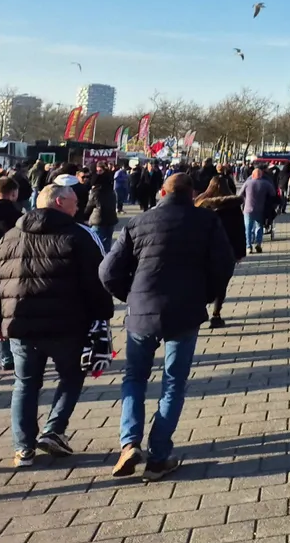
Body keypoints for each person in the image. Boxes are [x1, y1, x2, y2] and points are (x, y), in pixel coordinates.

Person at [100, 173, 235, 481]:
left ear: (163, 192)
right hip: (185, 310)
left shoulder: (138, 222)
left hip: (142, 310)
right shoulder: (207, 221)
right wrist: (206, 294)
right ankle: (158, 457)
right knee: (173, 382)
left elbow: (107, 270)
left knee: (135, 377)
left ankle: (129, 443)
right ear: (193, 194)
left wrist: (130, 295)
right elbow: (224, 263)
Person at [0, 180, 113, 466]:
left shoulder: (10, 236)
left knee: (25, 383)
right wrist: (102, 317)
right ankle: (54, 429)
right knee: (72, 376)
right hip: (67, 324)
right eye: (74, 201)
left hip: (20, 324)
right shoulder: (79, 235)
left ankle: (23, 448)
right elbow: (97, 279)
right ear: (59, 201)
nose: (78, 206)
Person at [194, 177, 245, 328]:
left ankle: (199, 311)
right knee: (222, 283)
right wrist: (240, 252)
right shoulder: (233, 205)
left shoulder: (201, 204)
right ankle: (216, 315)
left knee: (202, 281)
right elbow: (239, 230)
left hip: (204, 250)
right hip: (227, 250)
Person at [0, 177, 23, 372]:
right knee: (7, 311)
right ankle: (7, 356)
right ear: (13, 194)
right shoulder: (19, 217)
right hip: (10, 269)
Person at [240, 167, 274, 254]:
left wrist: (245, 199)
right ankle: (258, 244)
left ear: (252, 175)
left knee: (248, 228)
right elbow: (273, 194)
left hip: (248, 209)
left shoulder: (247, 183)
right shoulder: (266, 183)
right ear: (261, 175)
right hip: (260, 209)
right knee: (259, 227)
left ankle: (248, 246)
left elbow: (240, 194)